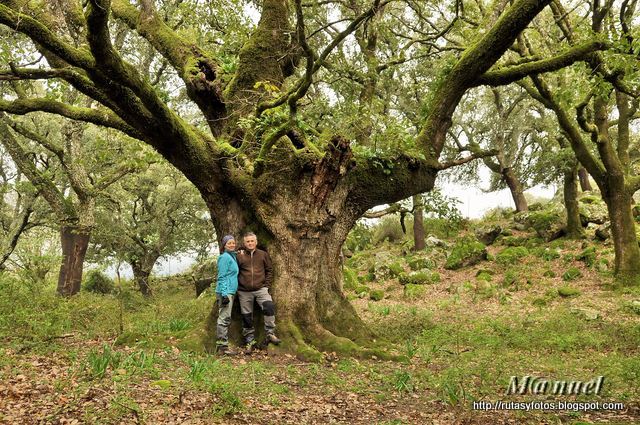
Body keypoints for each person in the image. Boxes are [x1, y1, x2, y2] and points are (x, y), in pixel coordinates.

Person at [236, 232, 281, 350]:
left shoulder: (263, 254)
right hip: (243, 291)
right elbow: (234, 271)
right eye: (247, 241)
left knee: (269, 306)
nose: (250, 243)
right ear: (244, 243)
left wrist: (266, 286)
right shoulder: (239, 255)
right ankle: (250, 341)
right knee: (246, 316)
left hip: (261, 289)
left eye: (252, 241)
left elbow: (269, 270)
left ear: (256, 242)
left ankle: (270, 333)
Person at [215, 234, 239, 355]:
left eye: (233, 243)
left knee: (225, 317)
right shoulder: (224, 257)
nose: (232, 245)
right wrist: (224, 294)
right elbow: (222, 277)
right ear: (224, 245)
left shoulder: (232, 256)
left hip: (230, 291)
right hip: (225, 292)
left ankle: (223, 346)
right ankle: (222, 348)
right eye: (229, 243)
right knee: (224, 318)